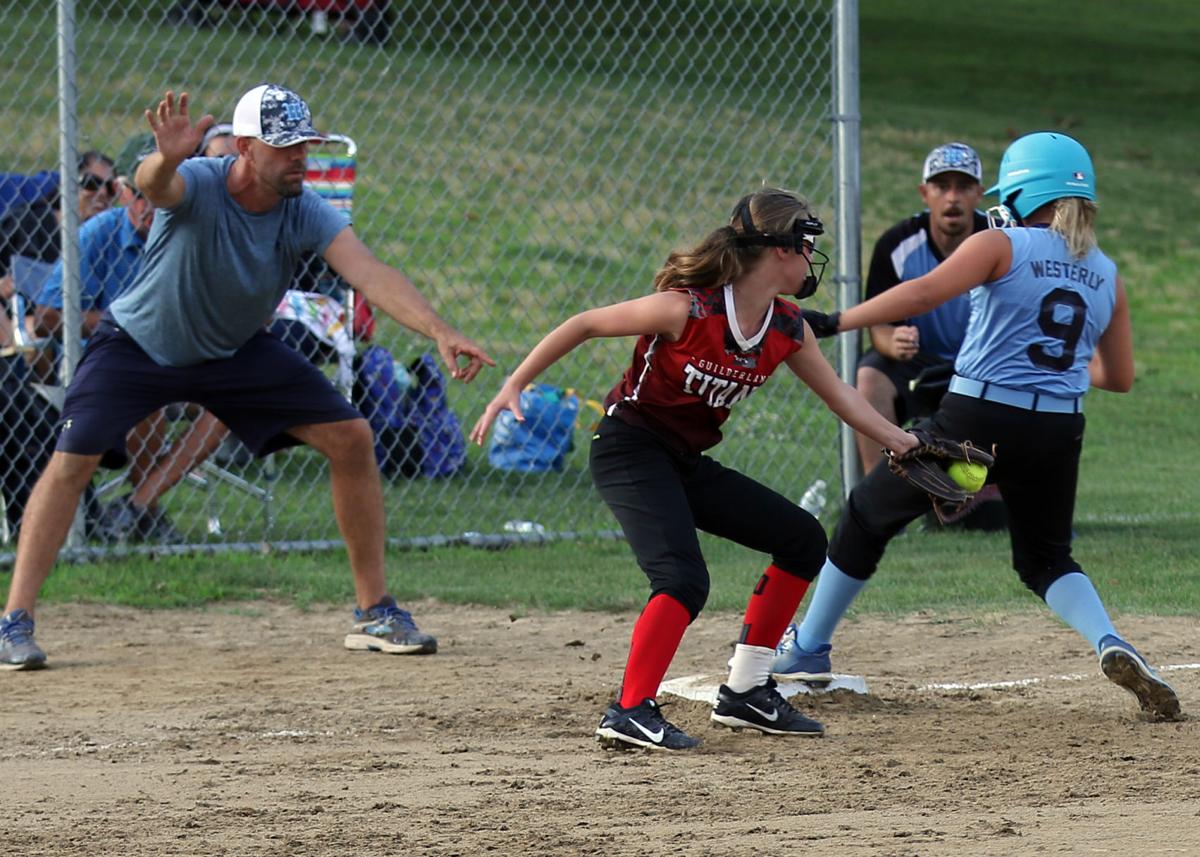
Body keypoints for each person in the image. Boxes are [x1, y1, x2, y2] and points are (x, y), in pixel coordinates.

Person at [0, 85, 493, 670]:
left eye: (304, 145)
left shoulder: (304, 209)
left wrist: (437, 329)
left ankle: (374, 611)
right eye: (284, 147)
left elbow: (369, 272)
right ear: (243, 148)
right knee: (72, 461)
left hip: (233, 352)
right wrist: (166, 156)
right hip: (139, 344)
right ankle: (15, 621)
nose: (300, 158)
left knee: (351, 436)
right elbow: (158, 185)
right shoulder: (202, 180)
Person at [470, 188, 919, 750]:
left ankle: (747, 692)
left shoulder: (786, 327)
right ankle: (630, 709)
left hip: (682, 459)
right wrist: (513, 383)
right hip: (629, 447)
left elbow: (842, 398)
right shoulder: (690, 307)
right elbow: (583, 324)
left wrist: (905, 442)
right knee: (681, 578)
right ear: (777, 251)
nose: (811, 257)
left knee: (801, 539)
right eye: (805, 244)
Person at [771, 132, 1181, 722]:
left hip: (978, 418)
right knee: (1045, 558)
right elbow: (1117, 376)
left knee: (867, 513)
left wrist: (834, 321)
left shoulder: (1000, 243)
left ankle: (808, 648)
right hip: (1058, 429)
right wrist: (1058, 363)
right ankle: (1110, 641)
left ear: (1019, 190)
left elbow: (922, 291)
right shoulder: (1107, 272)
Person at [35, 136, 227, 543]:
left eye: (162, 194)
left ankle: (137, 504)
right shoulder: (98, 234)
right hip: (108, 366)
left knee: (229, 402)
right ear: (124, 193)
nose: (149, 206)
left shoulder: (194, 236)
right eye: (140, 195)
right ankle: (149, 514)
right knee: (146, 393)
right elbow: (45, 318)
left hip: (185, 361)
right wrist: (122, 323)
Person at [855, 142, 989, 474]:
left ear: (980, 193)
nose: (952, 197)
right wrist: (894, 343)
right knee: (870, 377)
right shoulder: (898, 245)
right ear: (924, 193)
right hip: (921, 365)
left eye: (964, 187)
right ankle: (878, 495)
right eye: (942, 186)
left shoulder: (1001, 239)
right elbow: (879, 326)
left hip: (985, 366)